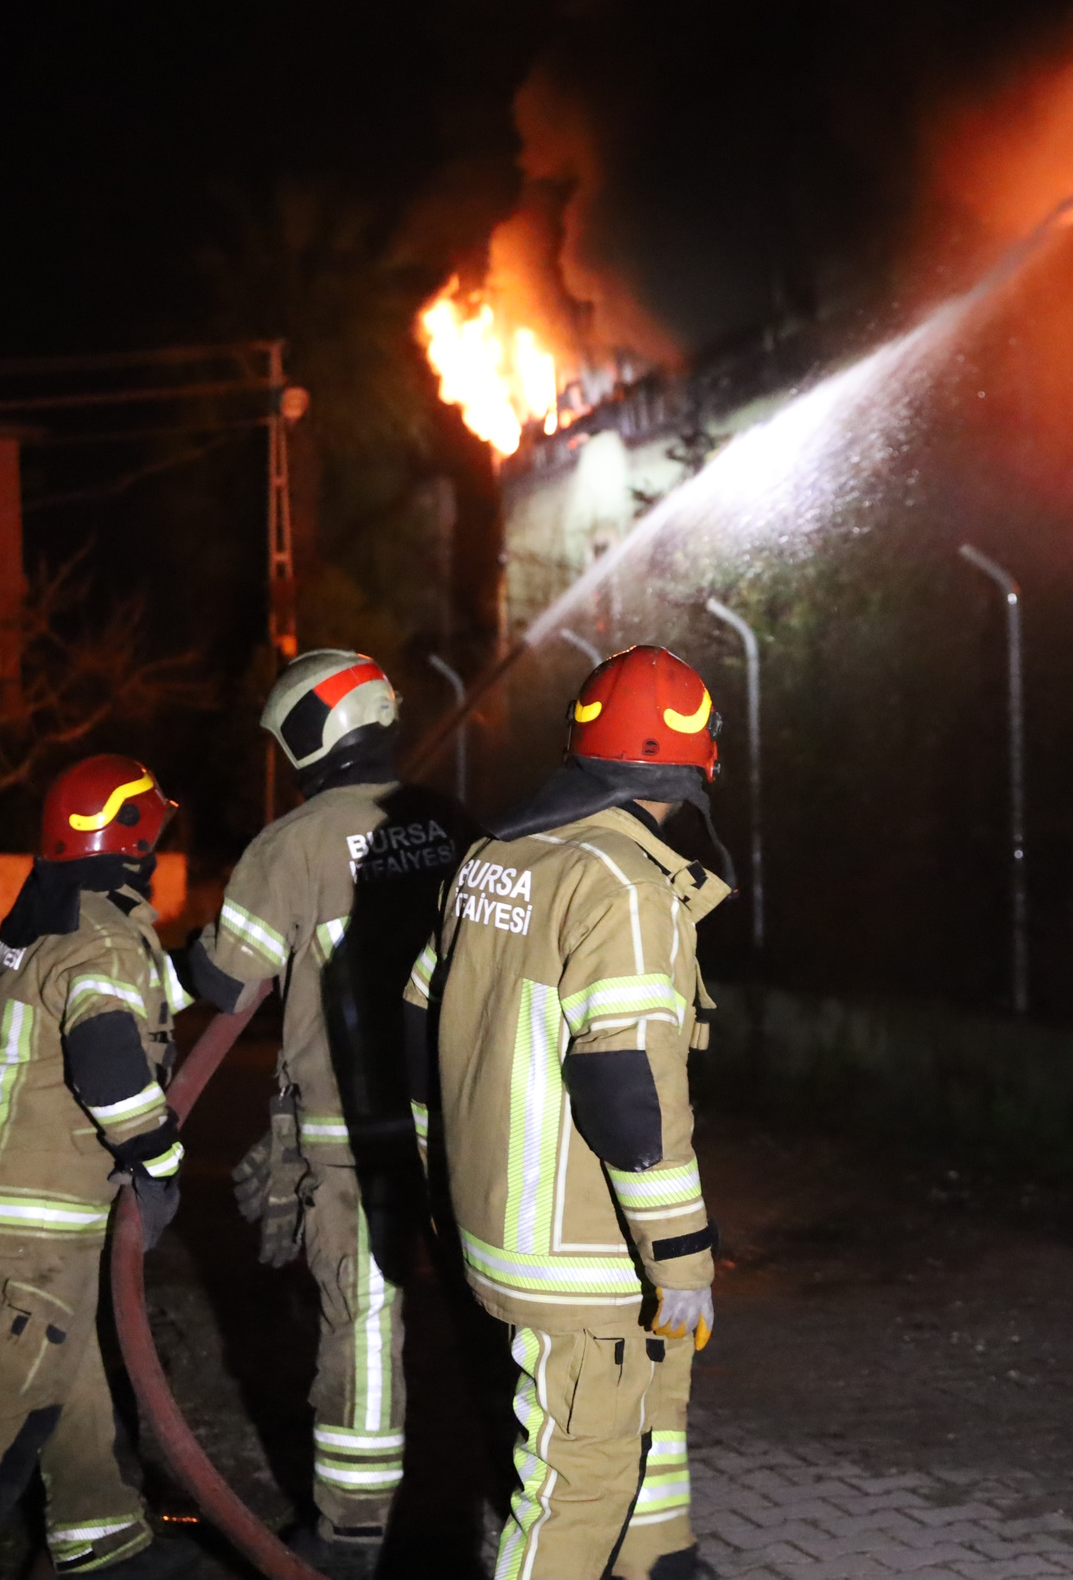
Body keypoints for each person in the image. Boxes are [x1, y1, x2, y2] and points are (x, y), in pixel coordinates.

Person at [405, 645, 729, 1580]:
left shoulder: (495, 857)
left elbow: (418, 1023)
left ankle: (659, 1560)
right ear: (694, 761)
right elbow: (629, 1088)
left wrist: (444, 1187)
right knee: (577, 1480)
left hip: (499, 1219)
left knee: (648, 1399)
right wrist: (681, 1256)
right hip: (579, 1249)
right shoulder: (625, 886)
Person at [179, 650, 471, 1577]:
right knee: (482, 1314)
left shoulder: (294, 843)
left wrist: (172, 956)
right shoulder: (450, 822)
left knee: (365, 1327)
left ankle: (351, 1534)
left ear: (311, 733)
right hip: (466, 1133)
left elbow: (226, 980)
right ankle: (484, 1503)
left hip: (354, 1142)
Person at [0, 755, 196, 1580]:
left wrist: (220, 965)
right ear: (134, 838)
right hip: (35, 1212)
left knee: (66, 1371)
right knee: (8, 1397)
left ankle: (102, 1536)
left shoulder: (64, 918)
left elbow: (143, 992)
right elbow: (107, 1055)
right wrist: (159, 1158)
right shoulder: (104, 933)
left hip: (16, 1202)